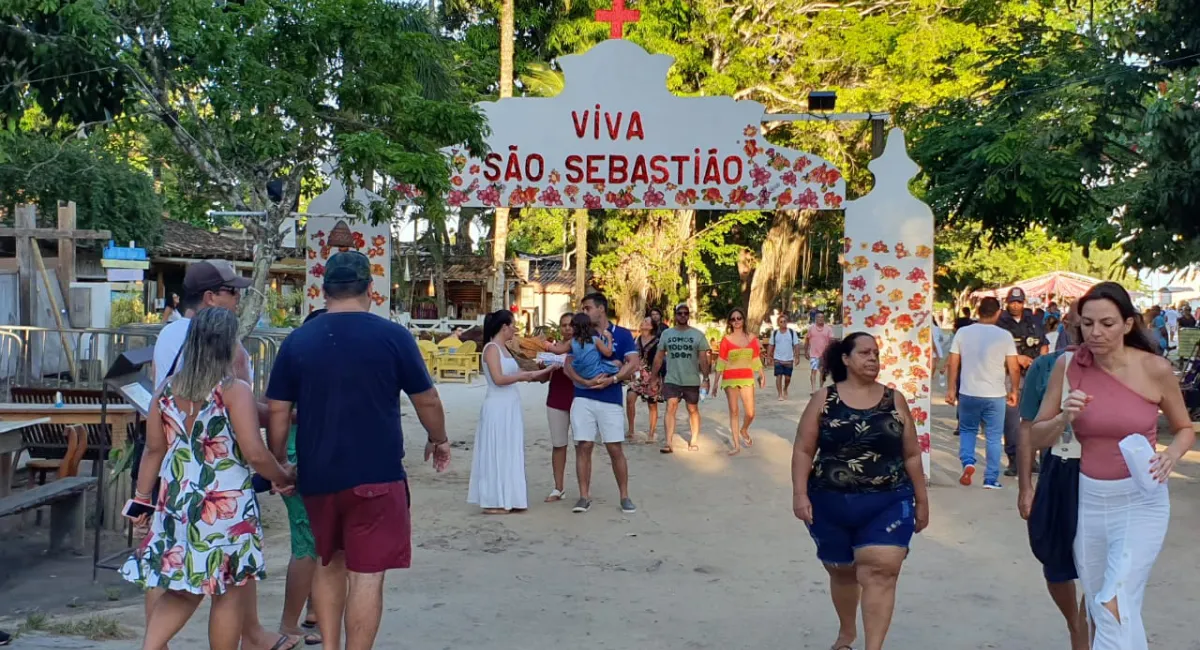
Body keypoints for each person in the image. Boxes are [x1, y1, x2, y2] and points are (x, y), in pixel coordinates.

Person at [265, 251, 450, 650]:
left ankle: (329, 646)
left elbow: (278, 410)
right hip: (378, 476)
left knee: (329, 564)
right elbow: (428, 400)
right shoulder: (393, 336)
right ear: (370, 288)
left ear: (324, 290)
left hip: (318, 475)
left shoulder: (298, 341)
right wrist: (438, 438)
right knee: (367, 575)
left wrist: (280, 462)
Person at [1031, 282, 1195, 650]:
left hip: (1141, 501)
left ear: (1127, 324)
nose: (1096, 333)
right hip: (1088, 501)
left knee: (1112, 600)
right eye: (1087, 324)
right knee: (1105, 606)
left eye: (1107, 323)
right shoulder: (1068, 365)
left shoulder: (1155, 369)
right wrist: (1063, 418)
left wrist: (1170, 456)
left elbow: (1185, 429)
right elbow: (1036, 436)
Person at [121, 308, 296, 650]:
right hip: (223, 506)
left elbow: (154, 451)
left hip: (176, 502)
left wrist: (141, 499)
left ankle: (150, 647)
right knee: (228, 590)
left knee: (182, 589)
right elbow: (255, 452)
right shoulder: (233, 390)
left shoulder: (166, 391)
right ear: (229, 344)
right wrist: (283, 476)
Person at [792, 332, 930, 650]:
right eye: (865, 353)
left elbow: (911, 454)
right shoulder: (824, 399)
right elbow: (803, 449)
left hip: (890, 500)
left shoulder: (894, 399)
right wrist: (799, 494)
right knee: (841, 572)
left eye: (876, 354)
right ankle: (847, 633)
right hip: (828, 502)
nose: (872, 359)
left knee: (881, 572)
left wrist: (922, 500)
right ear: (845, 359)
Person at [1016, 303, 1087, 650]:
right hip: (1058, 468)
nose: (1090, 329)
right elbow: (1027, 427)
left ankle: (1087, 627)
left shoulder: (1128, 367)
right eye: (1083, 321)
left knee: (1100, 561)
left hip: (1103, 473)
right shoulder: (1048, 366)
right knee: (1053, 555)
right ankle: (1075, 623)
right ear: (1068, 324)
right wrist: (1026, 486)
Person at [468, 310, 555, 514]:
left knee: (509, 450)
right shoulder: (491, 349)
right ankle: (494, 500)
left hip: (510, 404)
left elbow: (524, 374)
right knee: (497, 450)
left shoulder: (505, 349)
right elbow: (499, 379)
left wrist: (548, 370)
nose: (515, 329)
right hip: (497, 405)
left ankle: (509, 497)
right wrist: (522, 377)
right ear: (503, 327)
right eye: (512, 325)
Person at [560, 292, 639, 515]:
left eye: (587, 308)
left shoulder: (622, 334)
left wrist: (612, 379)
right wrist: (585, 380)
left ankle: (624, 495)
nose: (583, 312)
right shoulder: (577, 336)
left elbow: (633, 363)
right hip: (582, 396)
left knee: (614, 447)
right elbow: (567, 365)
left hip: (610, 398)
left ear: (601, 309)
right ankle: (584, 496)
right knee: (583, 445)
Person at [278, 309, 327, 646]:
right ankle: (290, 622)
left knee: (314, 542)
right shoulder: (321, 368)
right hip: (308, 458)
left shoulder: (293, 361)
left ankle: (314, 613)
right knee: (311, 545)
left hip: (296, 455)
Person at [947, 297, 1020, 489]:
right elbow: (1014, 368)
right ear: (998, 313)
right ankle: (990, 479)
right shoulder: (1004, 336)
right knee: (994, 436)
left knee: (967, 430)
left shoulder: (963, 332)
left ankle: (968, 462)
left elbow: (953, 362)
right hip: (995, 394)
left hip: (968, 392)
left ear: (978, 312)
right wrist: (1014, 390)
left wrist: (951, 389)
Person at [998, 287, 1048, 476]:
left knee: (1035, 417)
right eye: (1012, 301)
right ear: (1007, 302)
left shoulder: (1033, 320)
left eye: (1019, 301)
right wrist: (1017, 358)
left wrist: (1039, 363)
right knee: (1012, 419)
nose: (1016, 305)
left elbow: (1043, 344)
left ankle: (1032, 458)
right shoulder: (1000, 323)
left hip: (1034, 374)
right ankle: (1014, 460)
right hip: (1011, 375)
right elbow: (998, 350)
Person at [651, 303, 711, 453]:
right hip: (672, 378)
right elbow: (658, 357)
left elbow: (704, 359)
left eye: (685, 313)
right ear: (675, 315)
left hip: (691, 379)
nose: (683, 316)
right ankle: (668, 442)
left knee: (692, 409)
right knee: (671, 406)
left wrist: (706, 378)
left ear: (688, 315)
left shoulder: (698, 335)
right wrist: (653, 377)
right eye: (680, 313)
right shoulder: (667, 334)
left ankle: (694, 439)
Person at [713, 308, 766, 456]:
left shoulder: (752, 338)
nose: (736, 321)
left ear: (743, 320)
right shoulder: (726, 340)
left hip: (746, 377)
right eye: (733, 319)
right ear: (730, 322)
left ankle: (744, 429)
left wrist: (761, 374)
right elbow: (721, 361)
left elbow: (755, 358)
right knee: (734, 411)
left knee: (750, 412)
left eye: (739, 318)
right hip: (730, 378)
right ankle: (736, 445)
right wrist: (715, 383)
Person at [544, 313, 576, 502]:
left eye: (571, 325)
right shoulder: (551, 350)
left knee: (582, 446)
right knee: (558, 444)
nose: (567, 328)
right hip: (556, 398)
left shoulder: (583, 347)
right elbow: (541, 377)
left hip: (579, 398)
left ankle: (583, 489)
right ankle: (558, 488)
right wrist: (543, 367)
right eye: (563, 325)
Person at [627, 316, 665, 444]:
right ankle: (631, 430)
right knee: (630, 398)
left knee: (652, 404)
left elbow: (660, 360)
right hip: (637, 374)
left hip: (652, 374)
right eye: (643, 321)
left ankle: (651, 433)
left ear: (651, 326)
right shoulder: (636, 339)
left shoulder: (657, 341)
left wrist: (657, 377)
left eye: (646, 322)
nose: (643, 323)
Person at [767, 313, 801, 401]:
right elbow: (771, 345)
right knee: (778, 376)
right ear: (778, 323)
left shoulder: (791, 333)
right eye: (781, 322)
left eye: (785, 321)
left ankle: (785, 388)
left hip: (789, 359)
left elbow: (796, 345)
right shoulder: (775, 333)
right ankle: (780, 394)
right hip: (778, 359)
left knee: (787, 378)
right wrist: (769, 356)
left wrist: (797, 357)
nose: (783, 323)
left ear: (787, 322)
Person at [805, 311, 835, 390]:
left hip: (824, 354)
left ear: (824, 319)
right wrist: (806, 351)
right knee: (813, 371)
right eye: (818, 317)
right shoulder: (811, 328)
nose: (820, 319)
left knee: (822, 372)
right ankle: (813, 389)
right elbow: (807, 340)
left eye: (822, 317)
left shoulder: (828, 329)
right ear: (815, 319)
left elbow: (831, 341)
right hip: (814, 354)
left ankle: (820, 388)